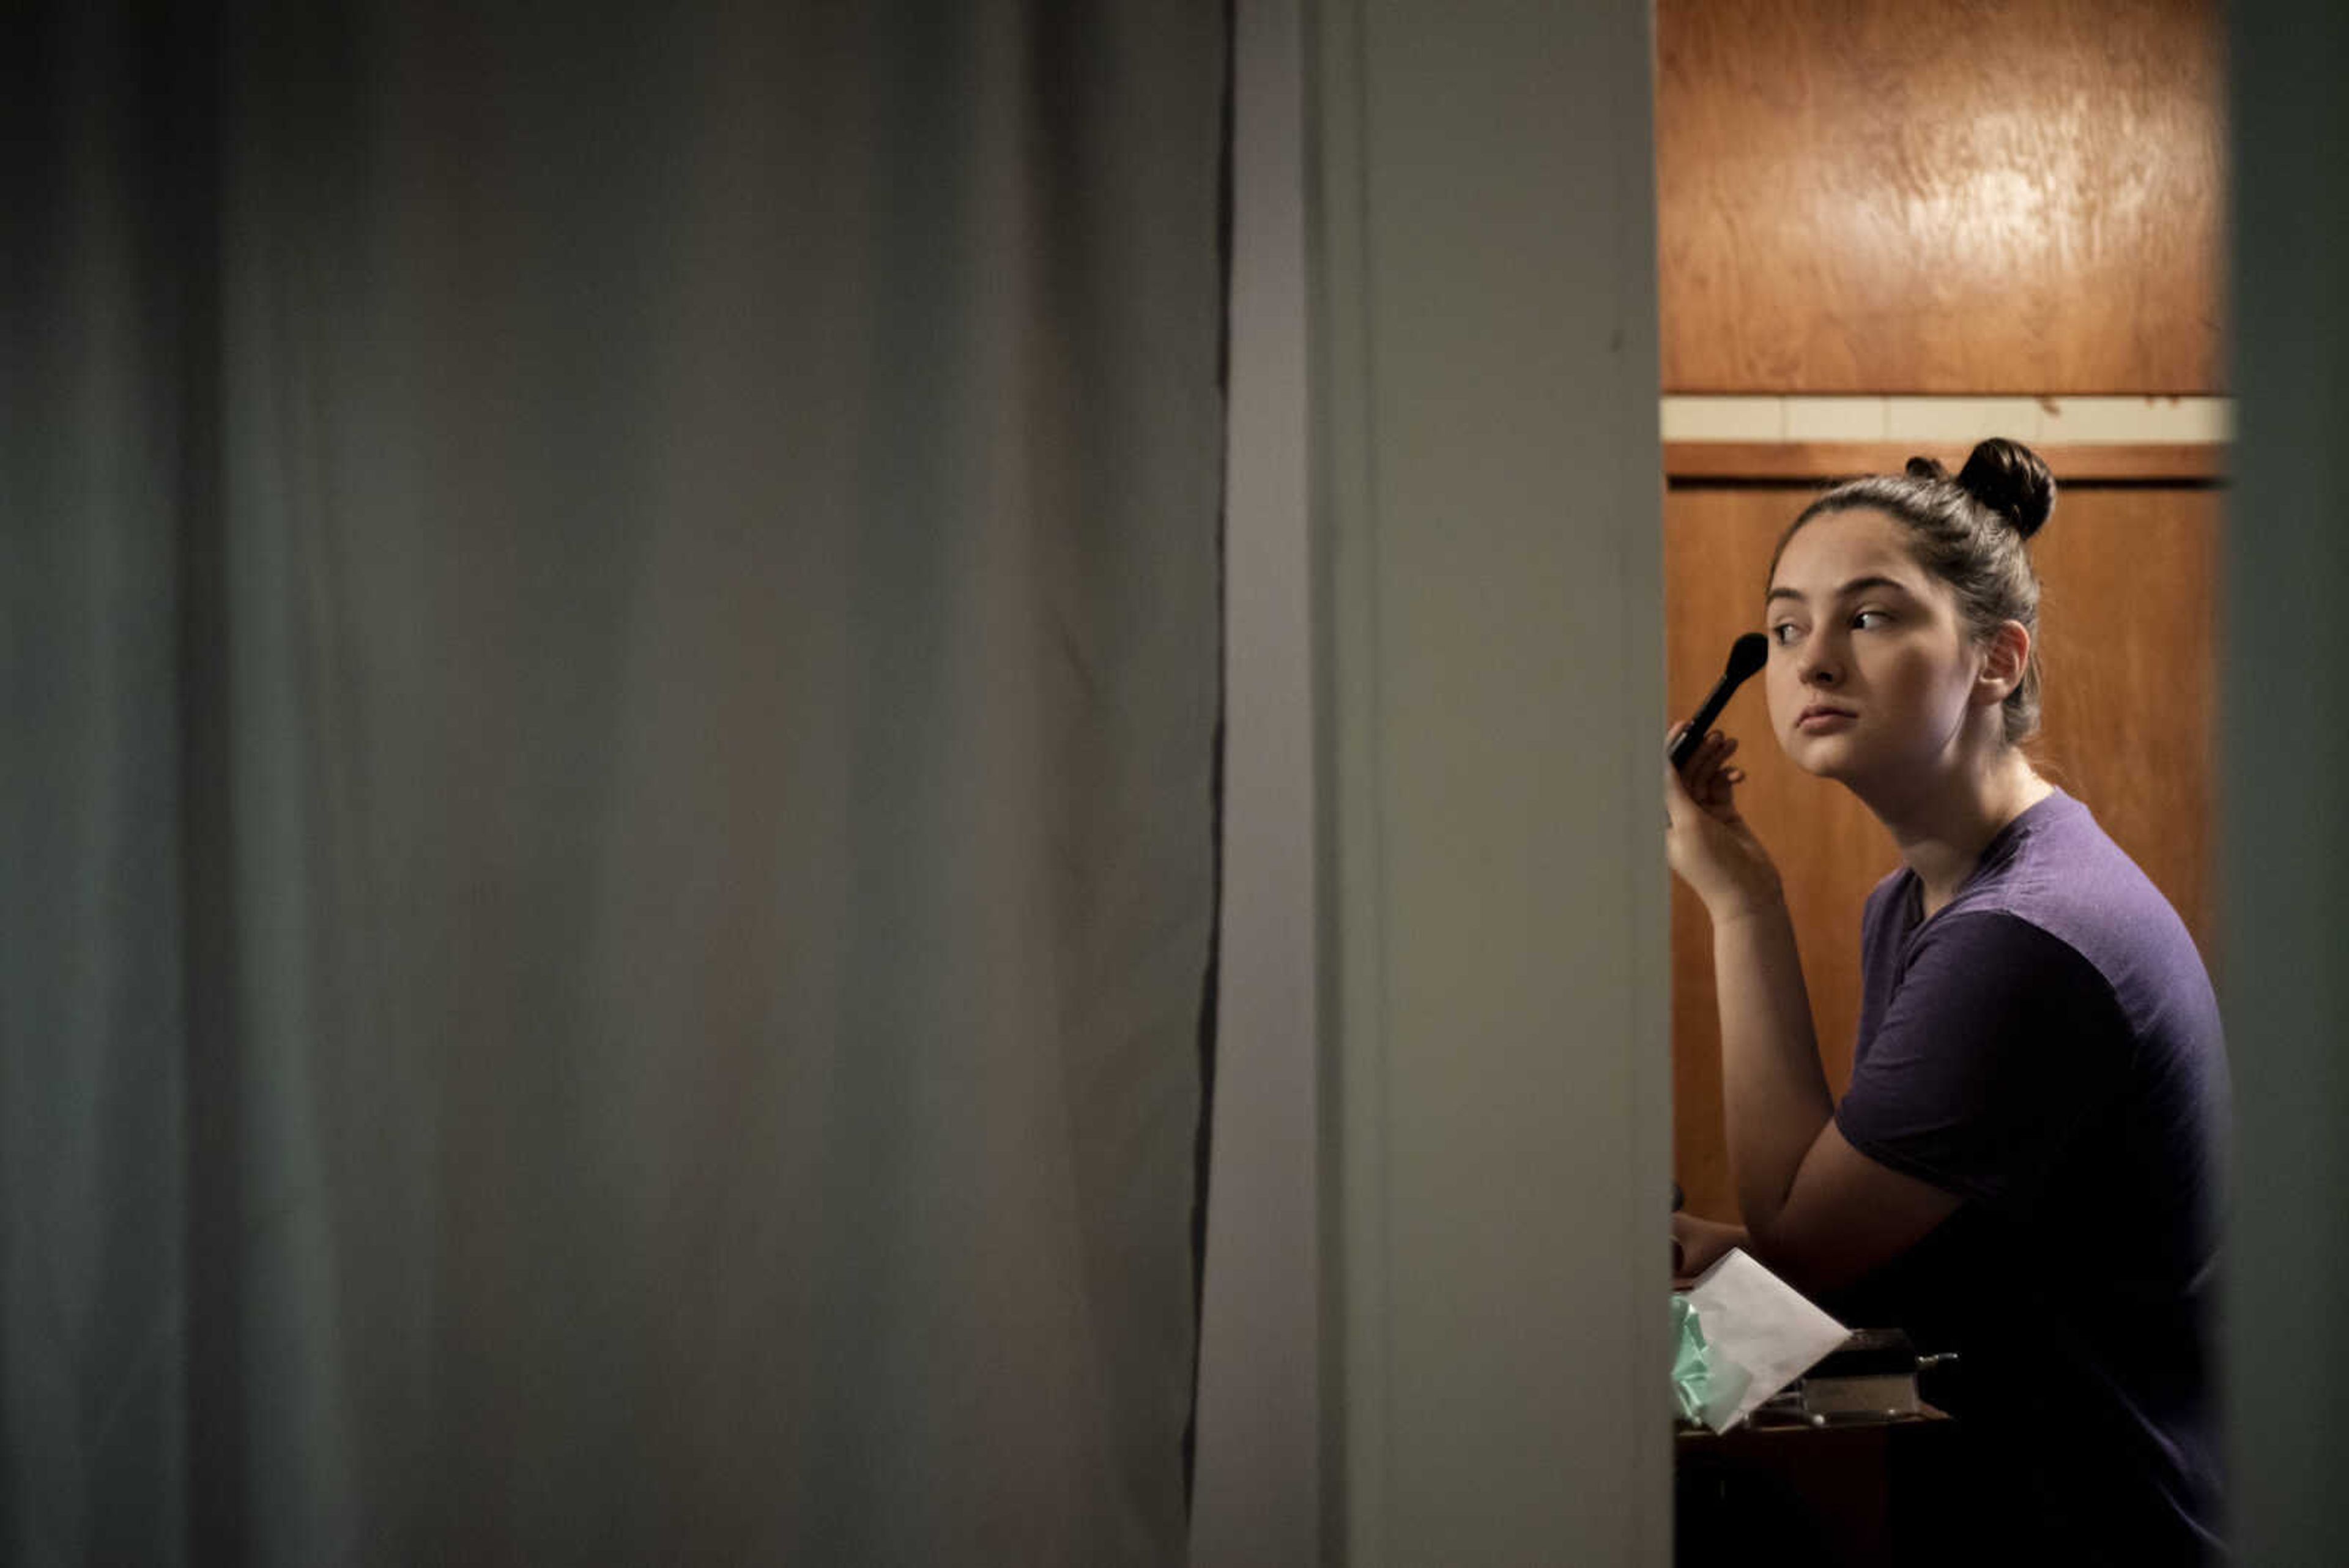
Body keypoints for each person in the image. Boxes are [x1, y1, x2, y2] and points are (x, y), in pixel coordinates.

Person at [1663, 438, 2229, 1562]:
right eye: (1784, 629)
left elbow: (1803, 1251)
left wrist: (1744, 900)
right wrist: (1715, 1253)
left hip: (2104, 1526)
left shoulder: (2024, 941)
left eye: (1869, 618)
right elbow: (1916, 1244)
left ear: (1997, 659)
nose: (1812, 661)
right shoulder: (1919, 904)